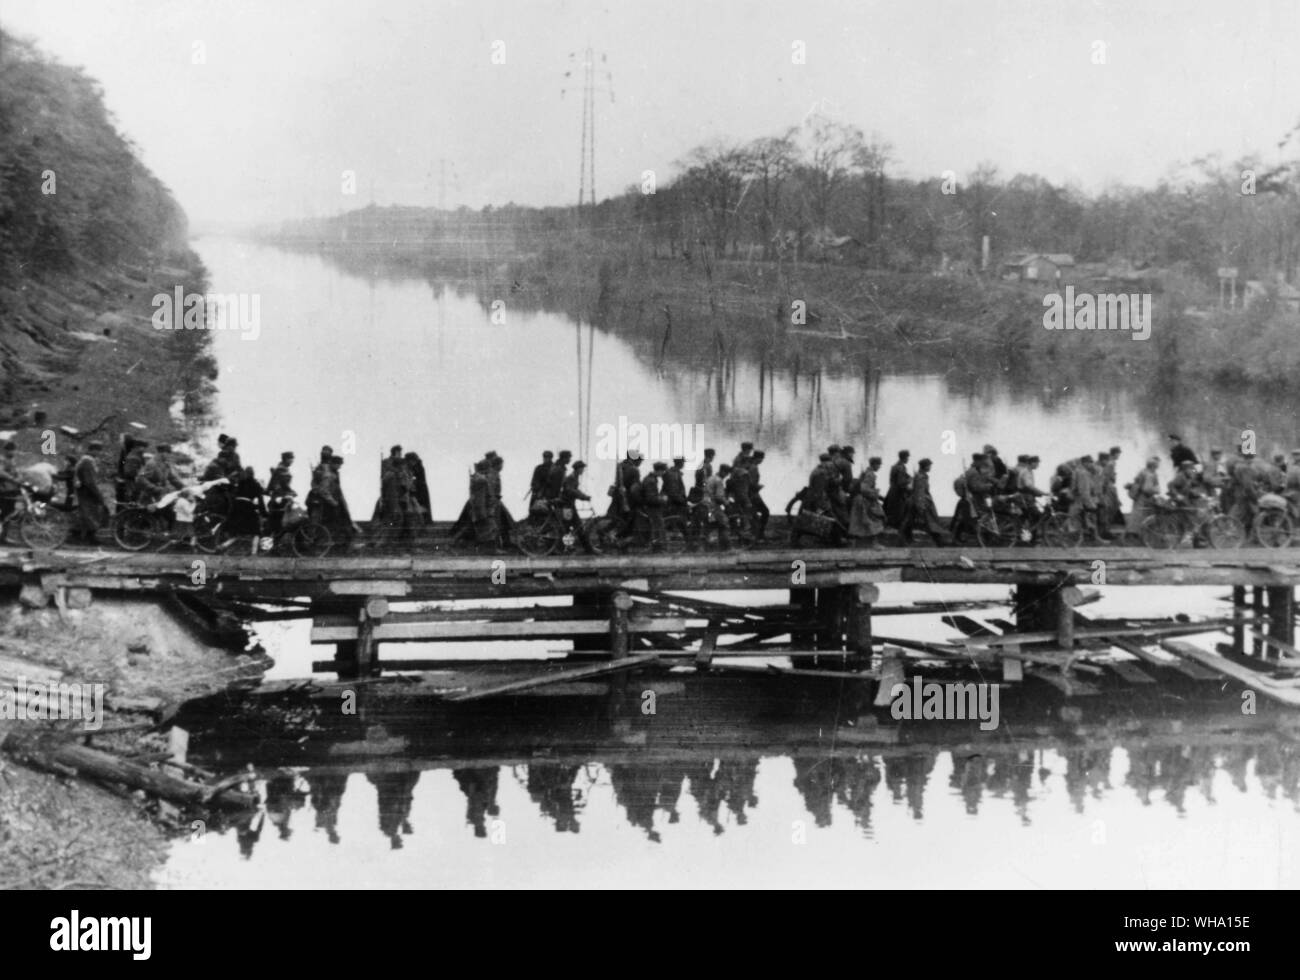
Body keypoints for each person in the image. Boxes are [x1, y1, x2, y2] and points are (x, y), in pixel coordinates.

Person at [902, 458, 948, 545]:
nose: (930, 467)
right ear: (925, 466)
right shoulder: (921, 477)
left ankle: (904, 539)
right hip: (921, 502)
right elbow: (919, 492)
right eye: (929, 466)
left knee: (909, 522)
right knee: (930, 522)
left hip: (917, 501)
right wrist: (920, 506)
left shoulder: (921, 476)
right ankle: (939, 541)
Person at [73, 441, 108, 544]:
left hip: (85, 490)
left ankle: (87, 536)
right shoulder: (87, 461)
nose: (99, 453)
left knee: (88, 513)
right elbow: (90, 481)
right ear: (93, 450)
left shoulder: (85, 460)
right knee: (90, 513)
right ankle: (89, 538)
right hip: (87, 491)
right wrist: (98, 494)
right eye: (98, 450)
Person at [848, 455, 886, 548]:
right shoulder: (871, 474)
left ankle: (858, 543)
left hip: (859, 500)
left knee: (861, 522)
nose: (879, 467)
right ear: (874, 464)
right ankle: (874, 544)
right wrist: (875, 493)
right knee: (875, 520)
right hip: (865, 501)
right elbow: (864, 488)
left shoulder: (866, 472)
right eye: (879, 465)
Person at [559, 460, 595, 553]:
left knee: (576, 527)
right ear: (578, 469)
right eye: (582, 468)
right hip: (567, 506)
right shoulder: (571, 478)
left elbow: (576, 490)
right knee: (569, 527)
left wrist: (584, 496)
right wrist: (583, 497)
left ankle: (586, 548)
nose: (583, 470)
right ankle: (584, 549)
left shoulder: (575, 477)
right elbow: (571, 491)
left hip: (570, 506)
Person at [1125, 456, 1161, 535]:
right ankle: (1133, 533)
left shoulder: (1149, 473)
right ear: (1152, 465)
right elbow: (1145, 488)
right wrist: (1156, 490)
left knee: (1141, 514)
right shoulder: (1147, 473)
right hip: (1142, 497)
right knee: (1138, 514)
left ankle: (1138, 532)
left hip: (1144, 497)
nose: (1158, 466)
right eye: (1157, 465)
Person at [639, 461, 670, 551]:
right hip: (652, 508)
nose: (664, 473)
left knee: (656, 528)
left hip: (651, 507)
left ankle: (657, 547)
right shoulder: (651, 481)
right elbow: (650, 498)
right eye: (663, 471)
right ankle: (661, 548)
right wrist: (662, 499)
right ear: (659, 470)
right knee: (659, 527)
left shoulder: (650, 479)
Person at [704, 463, 732, 549]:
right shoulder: (718, 481)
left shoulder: (710, 478)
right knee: (724, 523)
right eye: (727, 473)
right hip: (712, 506)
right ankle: (726, 547)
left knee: (712, 525)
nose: (726, 476)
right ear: (723, 471)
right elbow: (719, 497)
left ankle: (710, 546)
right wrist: (727, 503)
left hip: (705, 505)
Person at [884, 450, 911, 528]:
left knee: (892, 509)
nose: (908, 459)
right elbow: (901, 483)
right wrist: (909, 480)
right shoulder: (901, 467)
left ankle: (893, 523)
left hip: (892, 490)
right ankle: (898, 525)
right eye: (907, 457)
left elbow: (892, 480)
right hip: (898, 492)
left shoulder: (894, 466)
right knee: (899, 509)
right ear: (904, 458)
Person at [748, 450, 770, 541]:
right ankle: (760, 534)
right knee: (765, 512)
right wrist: (759, 486)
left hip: (751, 494)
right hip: (753, 495)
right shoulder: (754, 468)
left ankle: (757, 533)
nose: (762, 461)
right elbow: (751, 483)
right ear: (758, 458)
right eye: (762, 459)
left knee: (755, 514)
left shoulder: (751, 466)